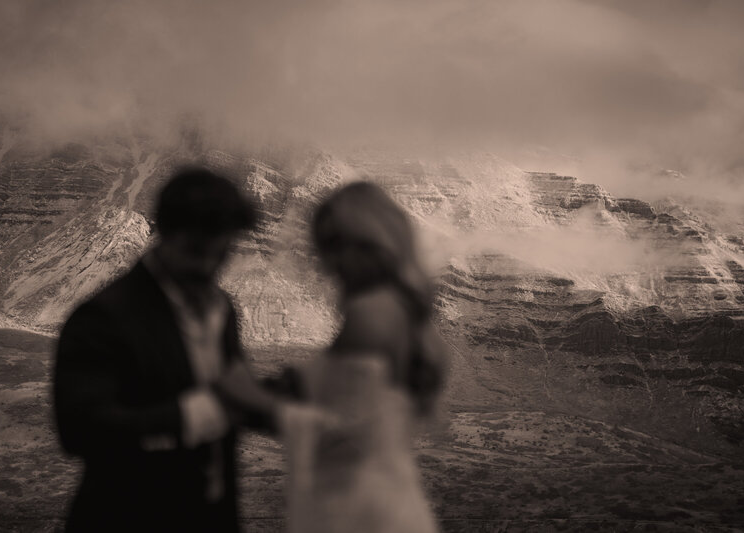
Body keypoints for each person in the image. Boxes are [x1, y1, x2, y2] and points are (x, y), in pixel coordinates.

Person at [53, 167, 284, 532]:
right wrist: (203, 411)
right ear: (165, 232)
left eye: (222, 249)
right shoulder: (101, 318)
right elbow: (80, 432)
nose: (210, 264)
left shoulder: (222, 309)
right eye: (197, 249)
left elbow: (237, 396)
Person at [279, 181, 448, 533]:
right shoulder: (402, 312)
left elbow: (339, 430)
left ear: (376, 244)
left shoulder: (370, 314)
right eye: (326, 247)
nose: (332, 261)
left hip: (361, 513)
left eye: (341, 245)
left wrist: (242, 397)